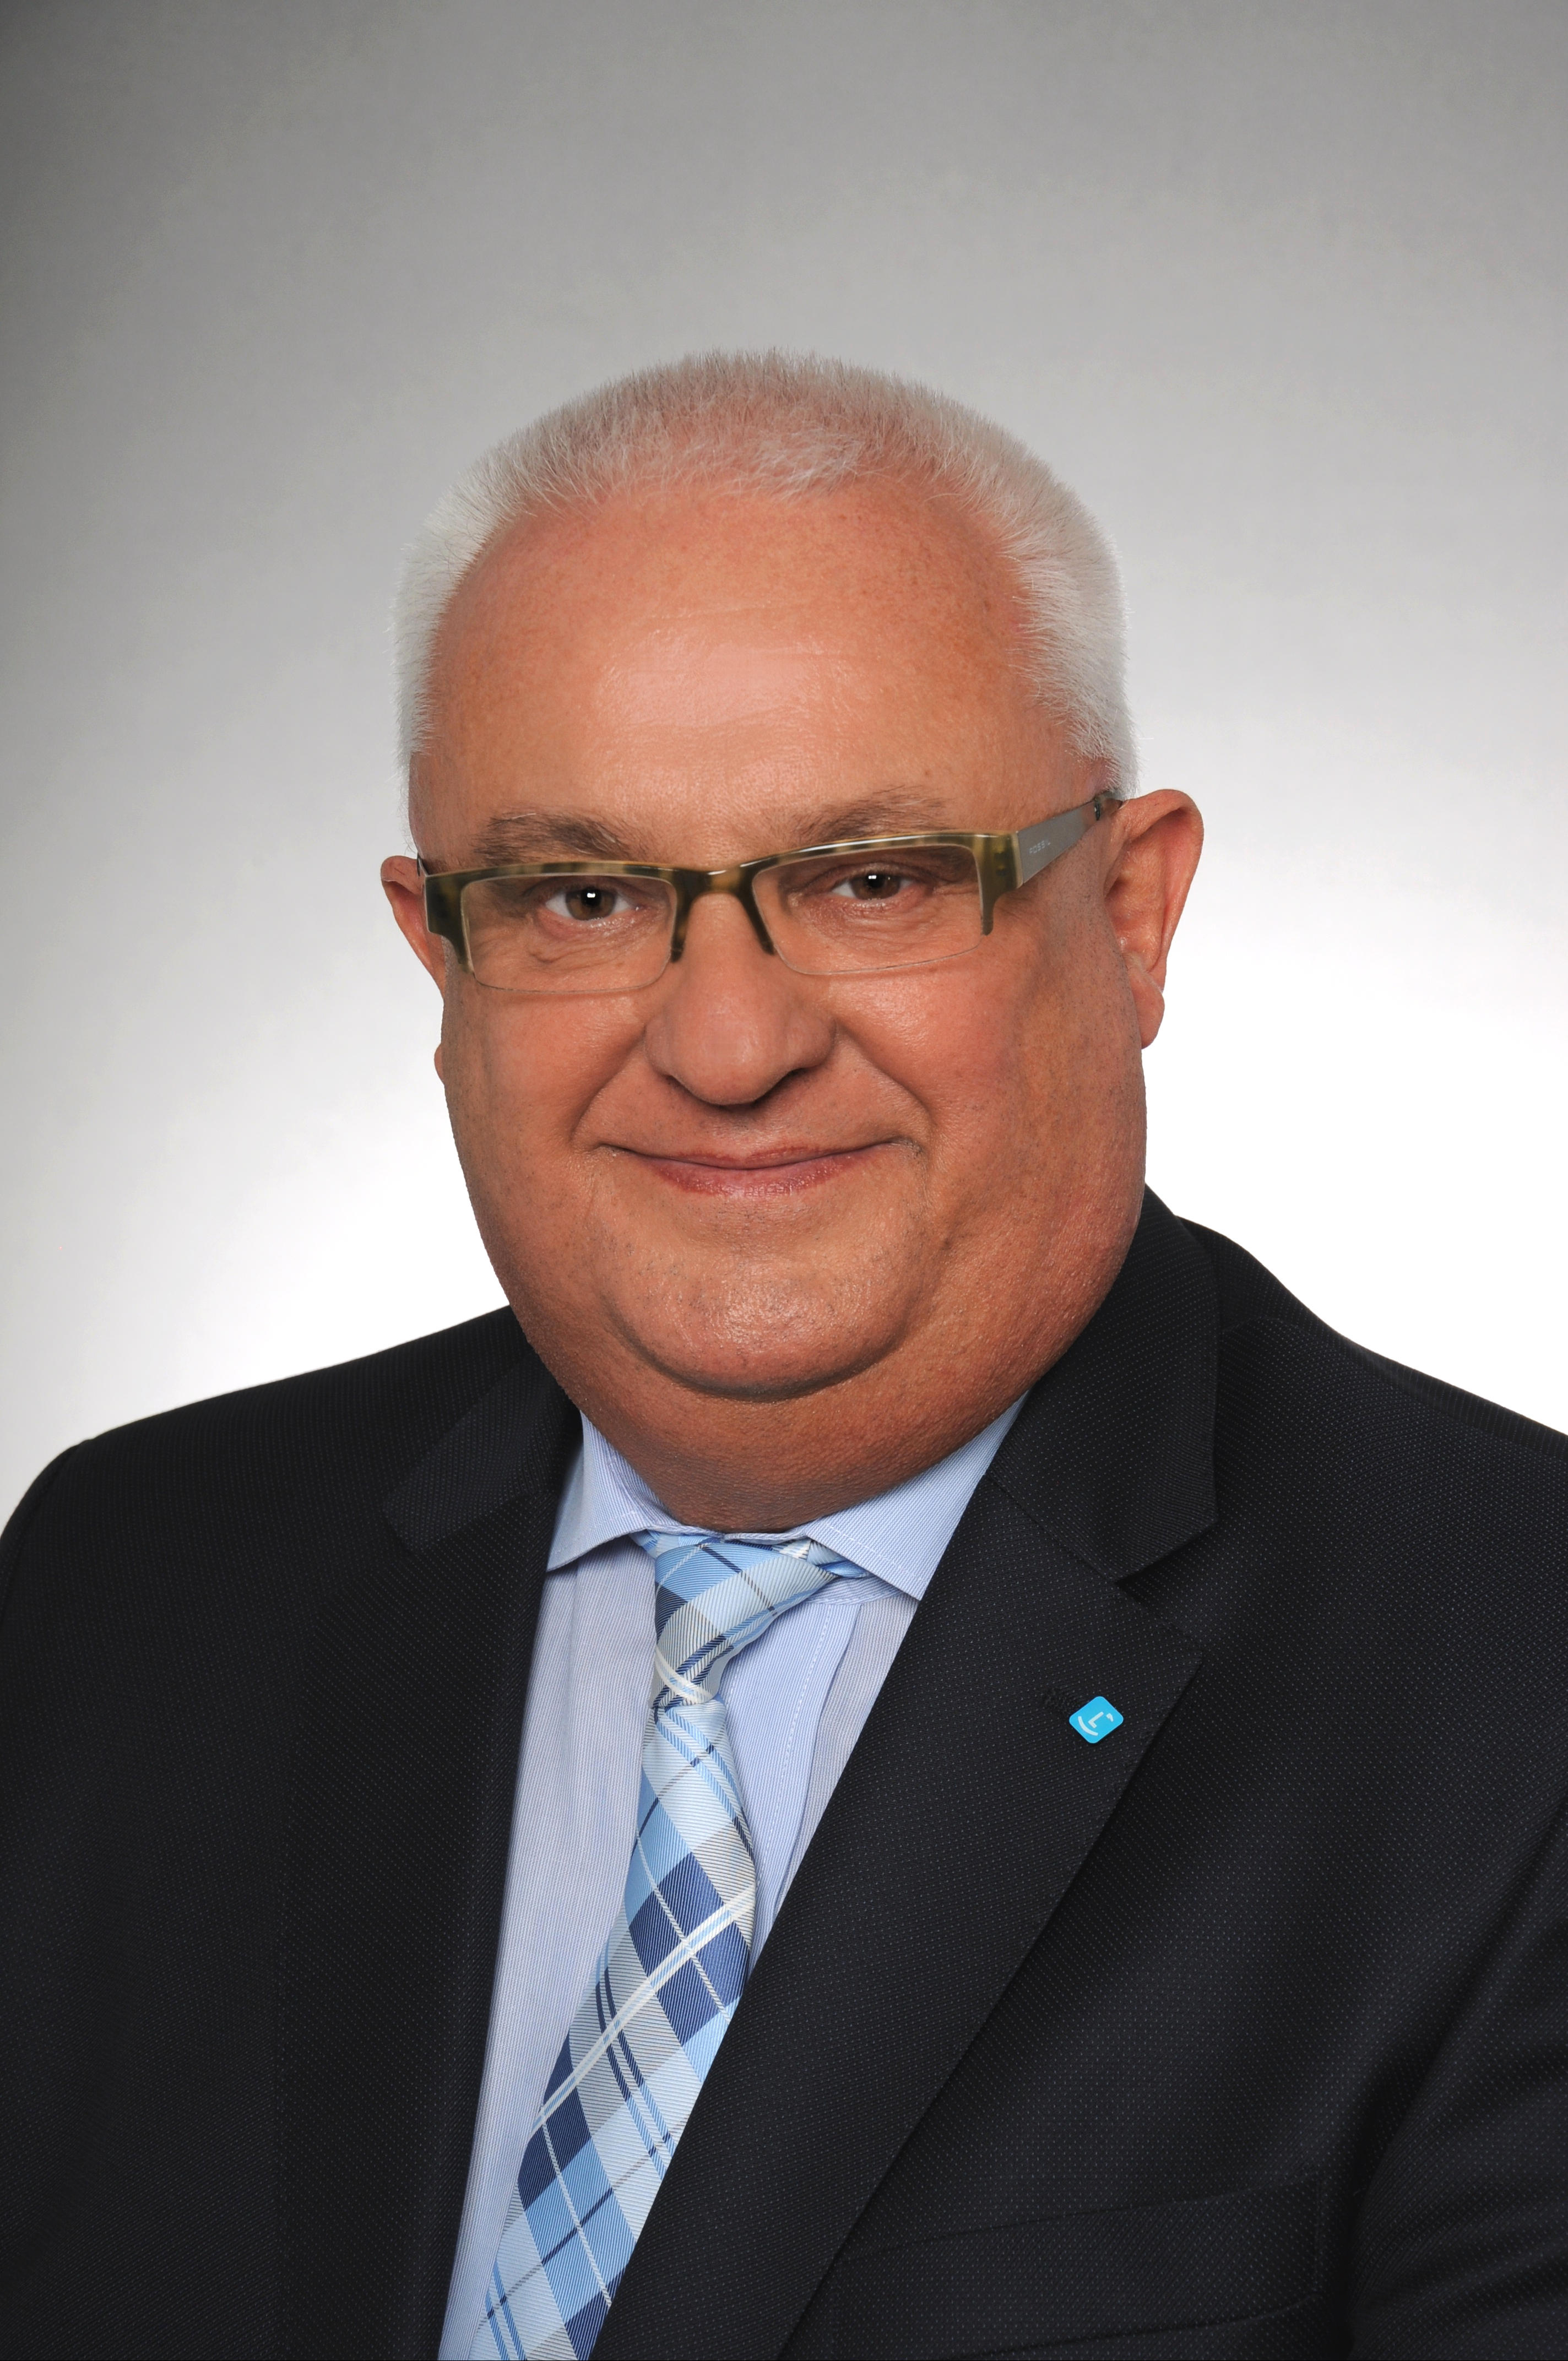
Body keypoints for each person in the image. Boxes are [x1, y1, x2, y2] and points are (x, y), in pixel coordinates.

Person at [2, 353, 1565, 2361]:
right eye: (581, 896)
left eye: (875, 881)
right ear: (442, 958)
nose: (729, 1047)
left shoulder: (1519, 1684)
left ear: (1134, 914)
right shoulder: (130, 1584)